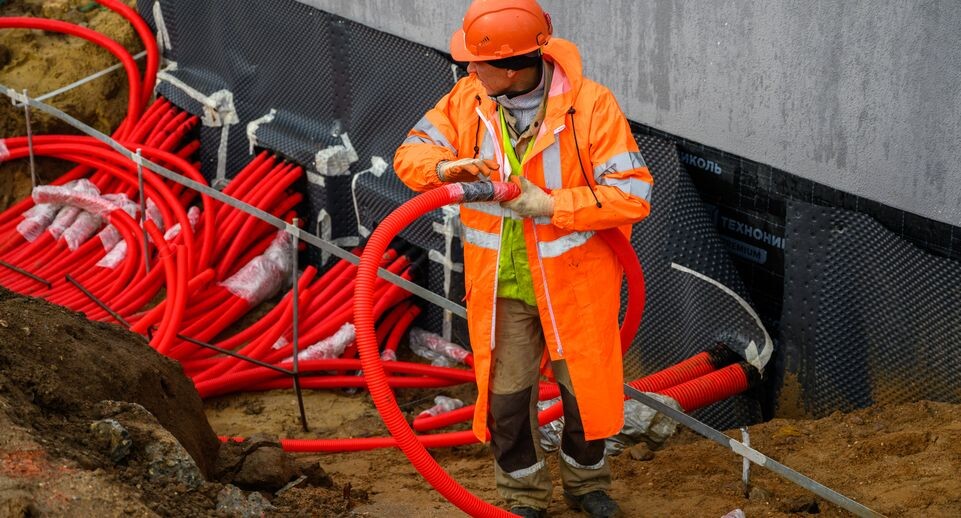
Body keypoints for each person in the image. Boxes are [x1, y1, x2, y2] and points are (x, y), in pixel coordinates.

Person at [393, 1, 652, 516]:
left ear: (512, 66)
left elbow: (634, 193)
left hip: (573, 287)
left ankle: (587, 487)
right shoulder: (470, 100)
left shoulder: (592, 107)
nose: (468, 68)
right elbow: (411, 153)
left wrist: (552, 204)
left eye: (477, 61)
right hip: (502, 287)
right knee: (507, 401)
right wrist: (447, 168)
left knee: (585, 398)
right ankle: (521, 497)